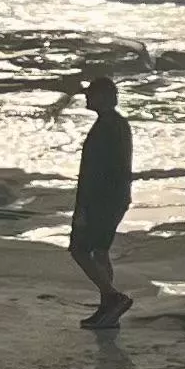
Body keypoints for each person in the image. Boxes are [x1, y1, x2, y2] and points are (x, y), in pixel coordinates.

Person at [68, 68, 135, 330]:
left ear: (104, 97)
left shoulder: (108, 126)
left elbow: (97, 172)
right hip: (115, 198)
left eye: (91, 95)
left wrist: (83, 208)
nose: (86, 99)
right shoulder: (117, 124)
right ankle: (108, 308)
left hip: (101, 200)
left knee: (79, 249)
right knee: (100, 251)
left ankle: (111, 297)